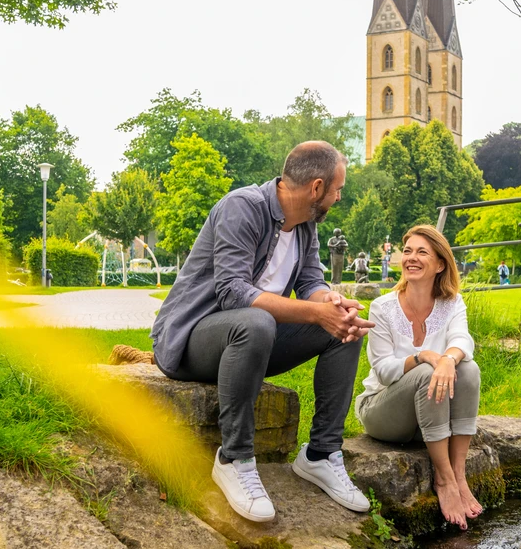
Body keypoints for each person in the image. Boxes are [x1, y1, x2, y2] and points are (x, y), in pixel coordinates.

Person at [151, 141, 376, 523]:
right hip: (192, 340)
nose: (339, 197)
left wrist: (332, 303)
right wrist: (314, 313)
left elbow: (310, 281)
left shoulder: (306, 225)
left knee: (344, 328)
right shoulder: (242, 207)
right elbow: (233, 292)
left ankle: (321, 454)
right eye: (338, 189)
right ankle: (234, 458)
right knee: (257, 321)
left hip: (252, 341)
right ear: (317, 187)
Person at [357, 225, 482, 530]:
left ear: (440, 264)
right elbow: (384, 370)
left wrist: (447, 360)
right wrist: (424, 356)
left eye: (421, 252)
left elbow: (463, 341)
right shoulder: (382, 308)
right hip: (383, 412)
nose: (411, 258)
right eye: (408, 251)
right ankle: (443, 478)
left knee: (468, 367)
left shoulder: (452, 303)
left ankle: (458, 475)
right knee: (428, 370)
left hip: (429, 417)